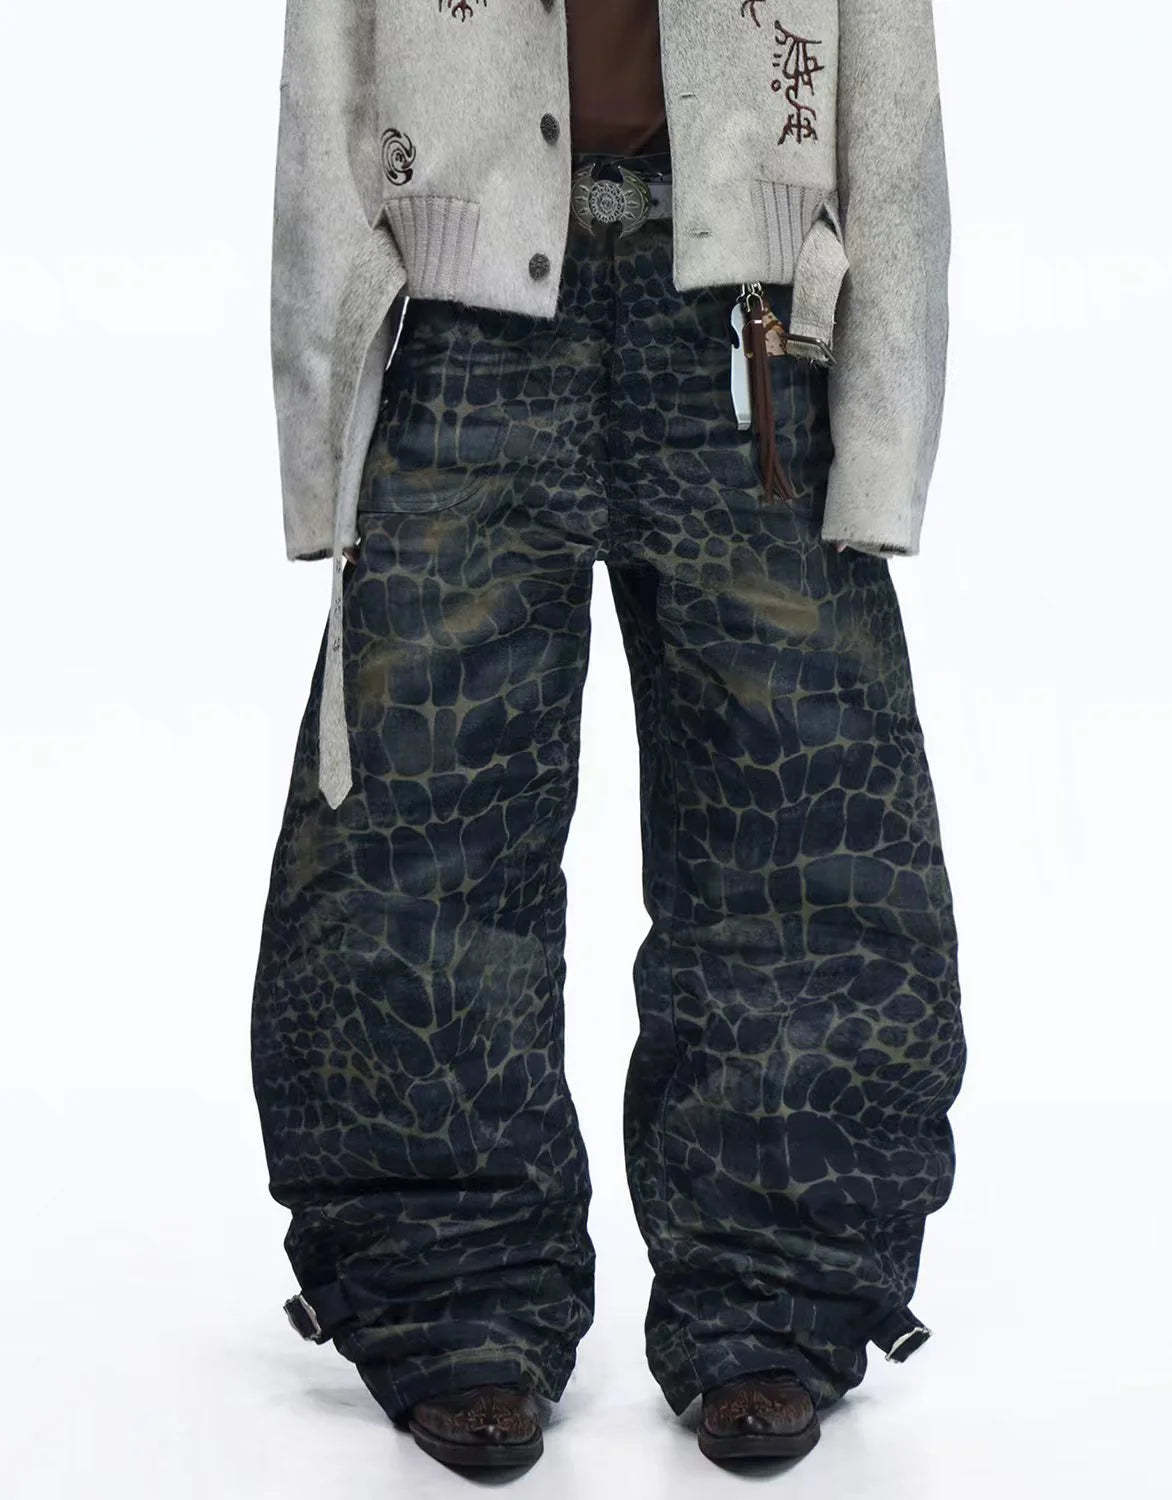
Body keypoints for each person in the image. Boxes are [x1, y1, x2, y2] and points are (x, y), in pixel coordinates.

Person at [251, 0, 966, 1472]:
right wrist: (321, 429)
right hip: (462, 323)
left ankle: (775, 1304)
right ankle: (448, 1299)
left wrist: (887, 431)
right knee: (416, 828)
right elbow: (329, 72)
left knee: (806, 830)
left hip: (748, 328)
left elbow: (890, 92)